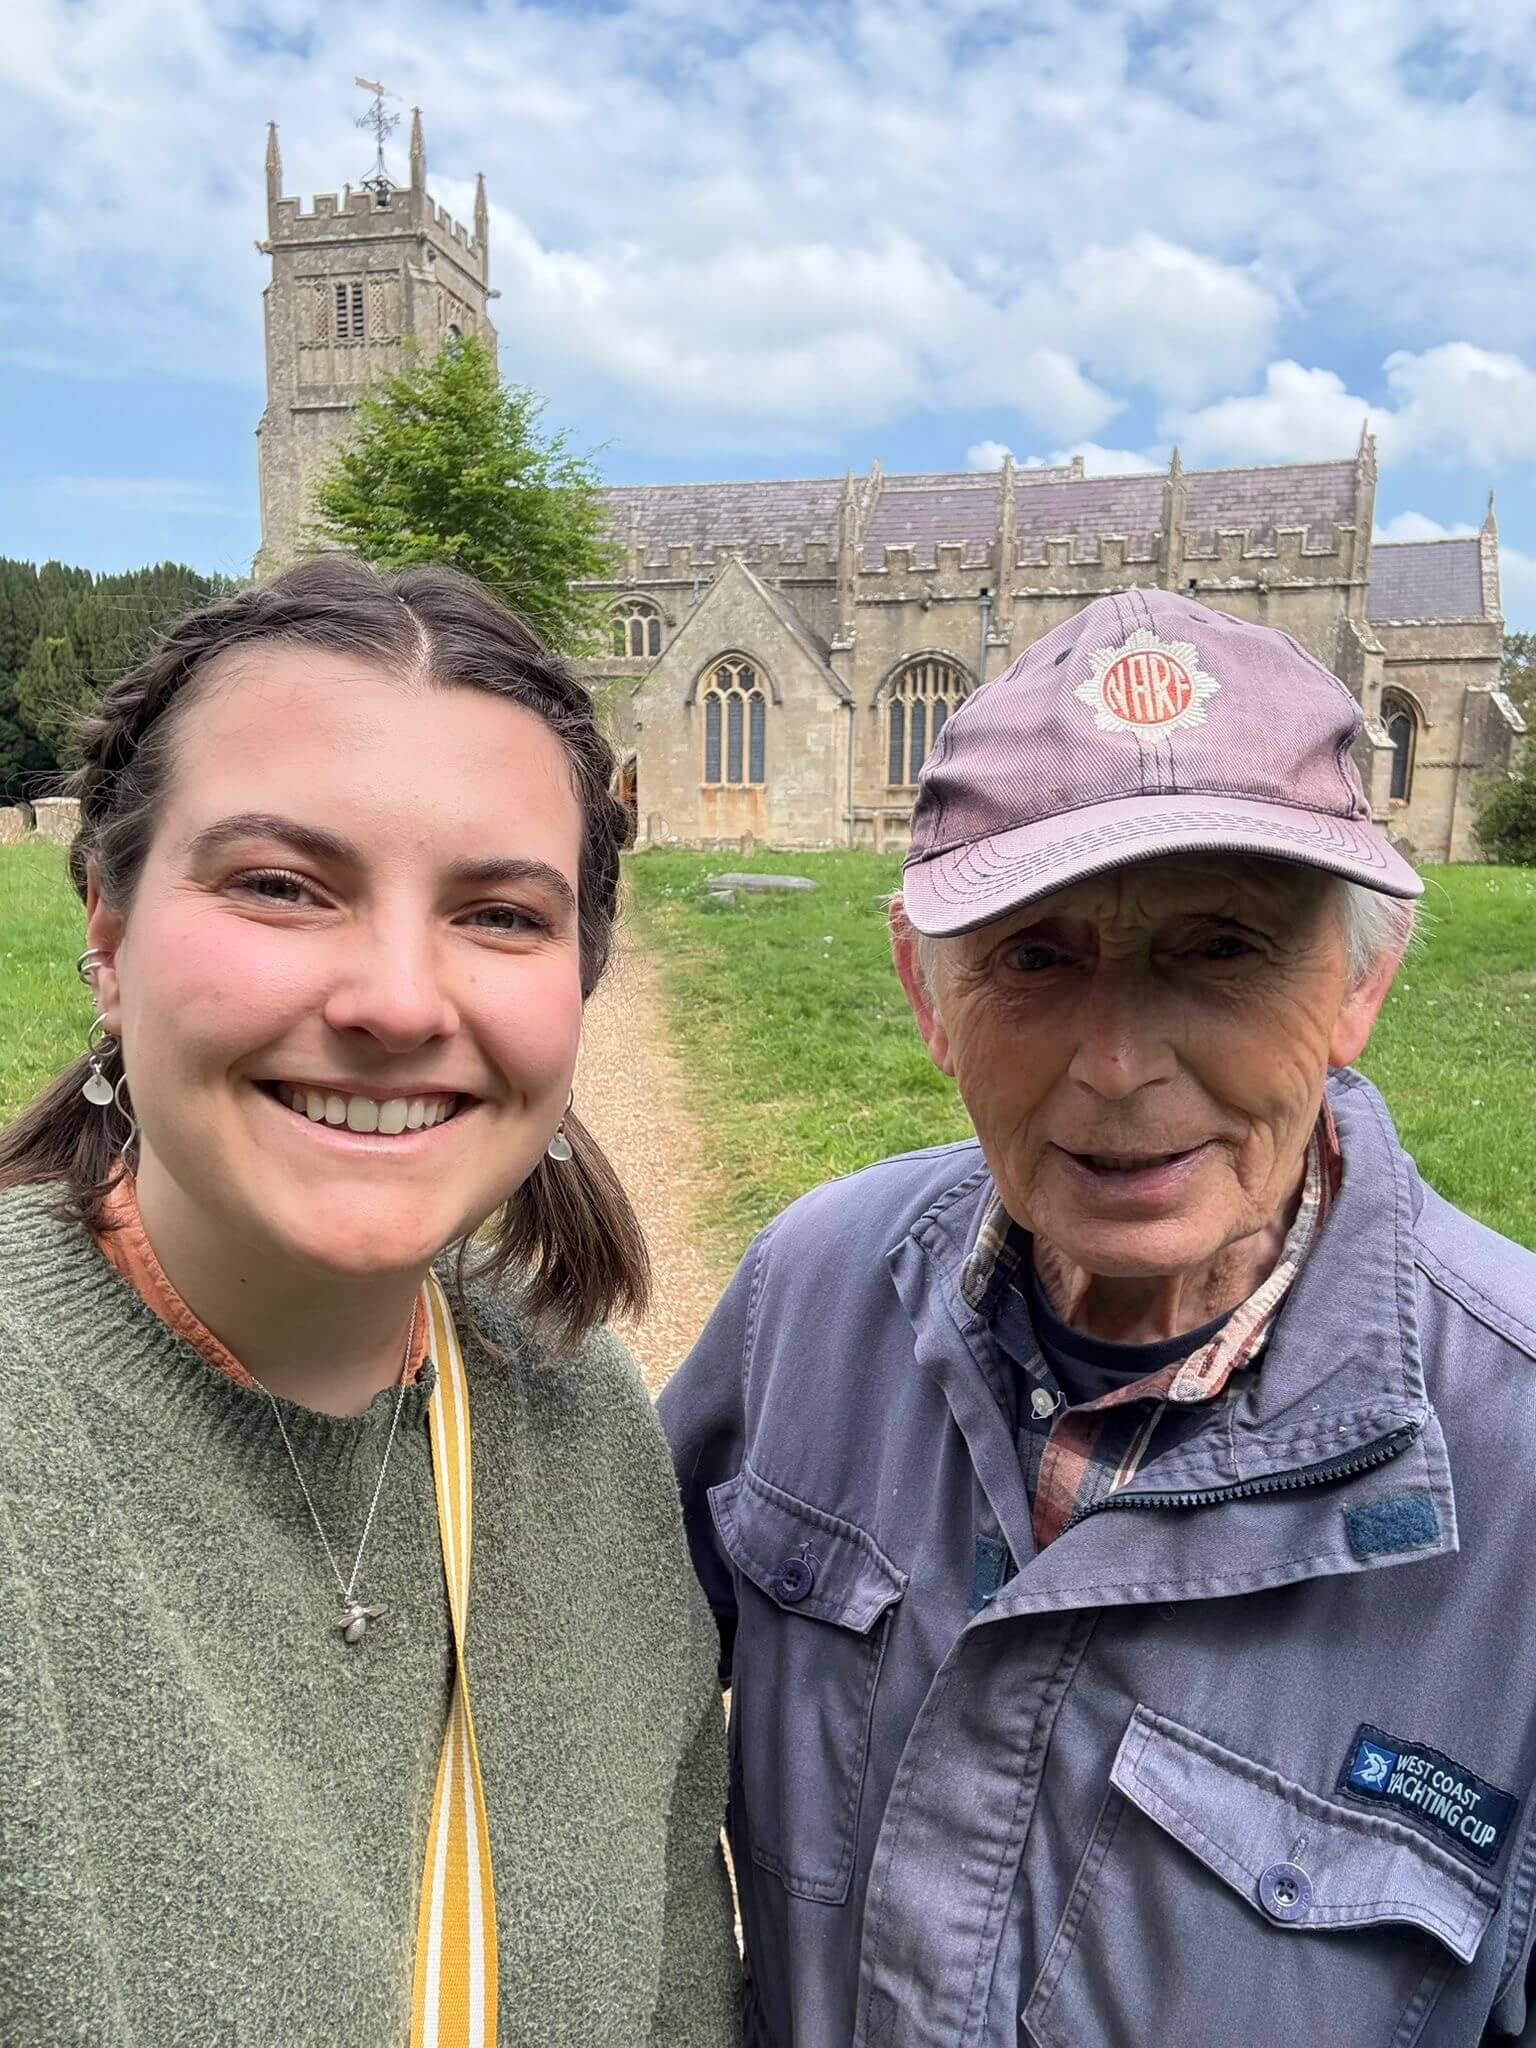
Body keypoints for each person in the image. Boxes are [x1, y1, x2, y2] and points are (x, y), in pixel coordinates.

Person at [661, 587, 1536, 2048]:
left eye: (1221, 949)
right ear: (926, 996)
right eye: (1037, 958)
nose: (1121, 1065)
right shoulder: (809, 1293)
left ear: (1358, 984)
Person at [0, 558, 742, 2048]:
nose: (399, 1001)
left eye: (500, 915)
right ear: (105, 925)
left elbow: (675, 1981)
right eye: (281, 886)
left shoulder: (575, 1404)